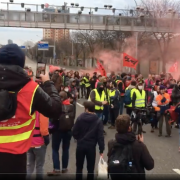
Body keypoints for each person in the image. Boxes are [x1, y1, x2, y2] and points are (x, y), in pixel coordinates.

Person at [0, 44, 61, 179]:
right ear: (21, 64)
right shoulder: (30, 88)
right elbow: (56, 110)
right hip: (15, 161)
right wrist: (48, 83)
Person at [107, 114, 154, 180]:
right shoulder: (139, 145)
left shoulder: (111, 143)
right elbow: (150, 165)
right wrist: (142, 144)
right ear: (129, 128)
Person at [73, 101, 105, 180]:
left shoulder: (80, 118)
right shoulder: (98, 120)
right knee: (90, 169)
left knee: (79, 167)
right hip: (91, 146)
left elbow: (74, 131)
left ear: (86, 109)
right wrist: (101, 149)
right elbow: (100, 136)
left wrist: (78, 138)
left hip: (81, 145)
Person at [48, 91, 75, 175]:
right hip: (68, 130)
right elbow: (73, 117)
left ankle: (56, 168)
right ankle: (64, 168)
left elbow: (52, 119)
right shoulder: (71, 106)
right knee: (65, 149)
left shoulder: (56, 107)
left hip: (57, 130)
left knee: (55, 149)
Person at [27, 112, 49, 180]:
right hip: (39, 143)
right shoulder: (42, 112)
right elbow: (44, 130)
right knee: (39, 166)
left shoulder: (29, 111)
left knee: (29, 166)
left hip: (29, 142)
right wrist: (47, 140)